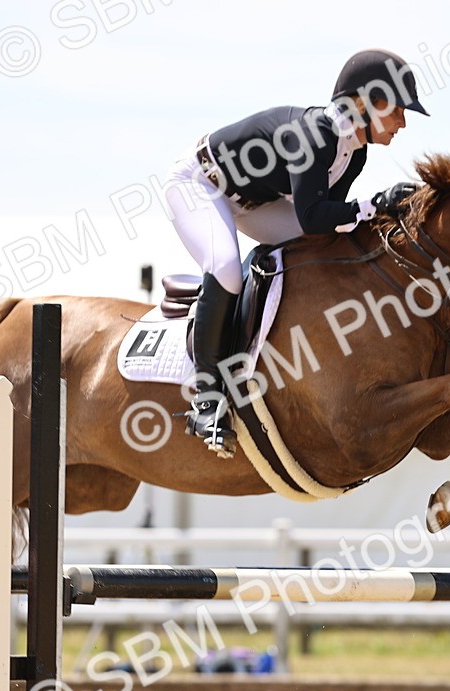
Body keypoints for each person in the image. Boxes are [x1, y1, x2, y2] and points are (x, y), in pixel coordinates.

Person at [163, 49, 429, 455]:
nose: (402, 122)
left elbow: (328, 228)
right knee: (227, 269)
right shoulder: (314, 134)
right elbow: (311, 215)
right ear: (366, 103)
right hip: (200, 184)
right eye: (396, 109)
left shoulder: (355, 150)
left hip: (254, 201)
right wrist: (375, 203)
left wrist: (377, 214)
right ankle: (206, 395)